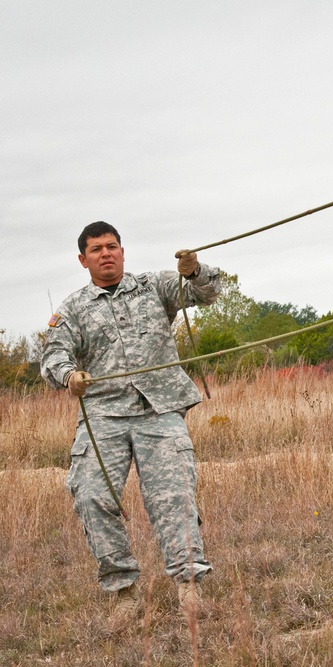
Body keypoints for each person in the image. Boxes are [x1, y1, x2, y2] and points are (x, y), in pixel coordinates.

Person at [41, 221, 221, 625]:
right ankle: (124, 591)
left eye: (112, 246)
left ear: (122, 250)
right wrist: (70, 376)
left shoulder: (154, 286)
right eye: (96, 249)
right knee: (89, 495)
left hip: (159, 410)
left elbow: (206, 294)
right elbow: (52, 357)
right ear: (83, 259)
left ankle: (189, 585)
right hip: (103, 415)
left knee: (174, 496)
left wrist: (194, 270)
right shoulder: (72, 309)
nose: (106, 254)